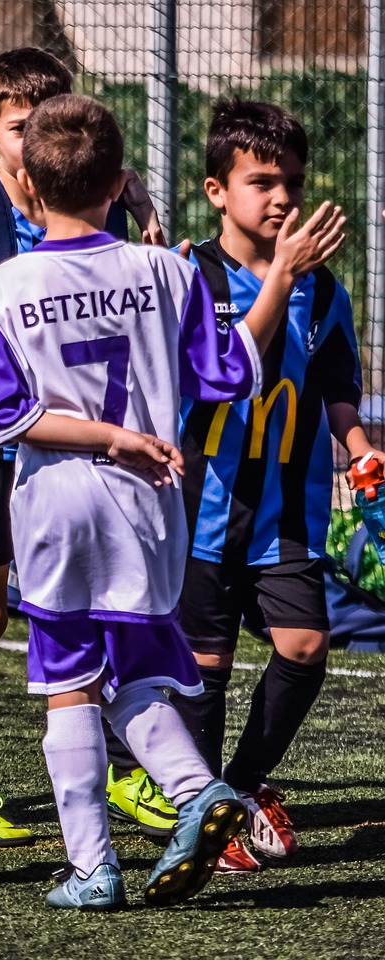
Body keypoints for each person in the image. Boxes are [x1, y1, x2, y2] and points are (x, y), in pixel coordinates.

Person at [0, 93, 343, 908]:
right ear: (121, 181)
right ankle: (203, 793)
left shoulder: (2, 288)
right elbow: (231, 372)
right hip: (152, 506)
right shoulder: (167, 272)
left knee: (69, 685)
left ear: (26, 182)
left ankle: (92, 868)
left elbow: (2, 419)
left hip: (60, 505)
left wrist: (106, 436)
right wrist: (278, 279)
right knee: (134, 676)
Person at [0, 46, 170, 843]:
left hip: (61, 458)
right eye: (20, 126)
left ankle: (119, 777)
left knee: (78, 623)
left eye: (46, 124)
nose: (34, 137)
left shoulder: (77, 218)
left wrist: (141, 214)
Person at [173, 99, 367, 872]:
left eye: (291, 180)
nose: (282, 196)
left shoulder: (324, 292)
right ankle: (200, 815)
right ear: (218, 190)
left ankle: (240, 788)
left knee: (307, 643)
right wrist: (277, 279)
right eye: (262, 181)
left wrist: (357, 447)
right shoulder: (190, 275)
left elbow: (335, 381)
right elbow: (214, 380)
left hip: (287, 513)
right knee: (206, 671)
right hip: (204, 510)